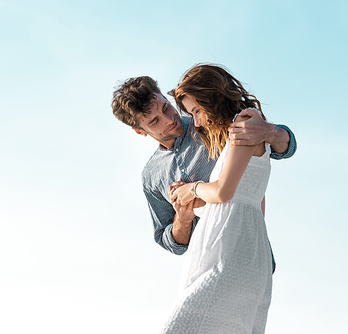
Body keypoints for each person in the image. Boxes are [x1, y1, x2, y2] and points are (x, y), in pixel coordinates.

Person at [111, 74, 296, 272]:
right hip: (204, 265)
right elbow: (169, 241)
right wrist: (183, 219)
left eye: (166, 107)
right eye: (155, 121)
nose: (169, 119)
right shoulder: (151, 177)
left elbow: (282, 148)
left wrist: (269, 131)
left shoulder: (206, 121)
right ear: (140, 131)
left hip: (249, 252)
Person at [159, 63, 282, 333]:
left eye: (197, 111)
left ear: (213, 98)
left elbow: (224, 191)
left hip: (231, 249)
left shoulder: (245, 126)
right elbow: (244, 198)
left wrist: (193, 188)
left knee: (181, 326)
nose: (198, 121)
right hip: (237, 242)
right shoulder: (237, 133)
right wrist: (189, 201)